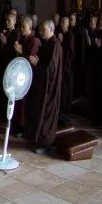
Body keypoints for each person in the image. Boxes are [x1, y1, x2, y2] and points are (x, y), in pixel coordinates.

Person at [26, 20, 63, 154]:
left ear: (51, 30)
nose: (41, 32)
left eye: (44, 30)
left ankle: (46, 143)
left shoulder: (54, 45)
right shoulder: (47, 43)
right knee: (39, 111)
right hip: (42, 85)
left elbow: (51, 70)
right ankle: (37, 139)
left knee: (47, 113)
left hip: (50, 88)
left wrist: (38, 63)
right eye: (40, 30)